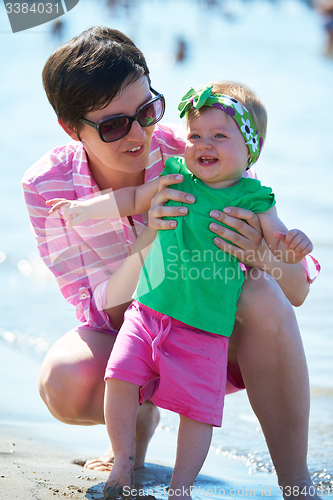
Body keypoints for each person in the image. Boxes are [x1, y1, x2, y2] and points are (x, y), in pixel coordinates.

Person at [21, 26, 320, 500]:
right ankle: (135, 428)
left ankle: (296, 482)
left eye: (147, 111)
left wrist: (259, 255)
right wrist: (150, 243)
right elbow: (97, 311)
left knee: (261, 291)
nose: (139, 133)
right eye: (114, 125)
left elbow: (297, 293)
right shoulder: (47, 187)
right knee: (67, 379)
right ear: (70, 127)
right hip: (134, 332)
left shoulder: (203, 146)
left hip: (212, 334)